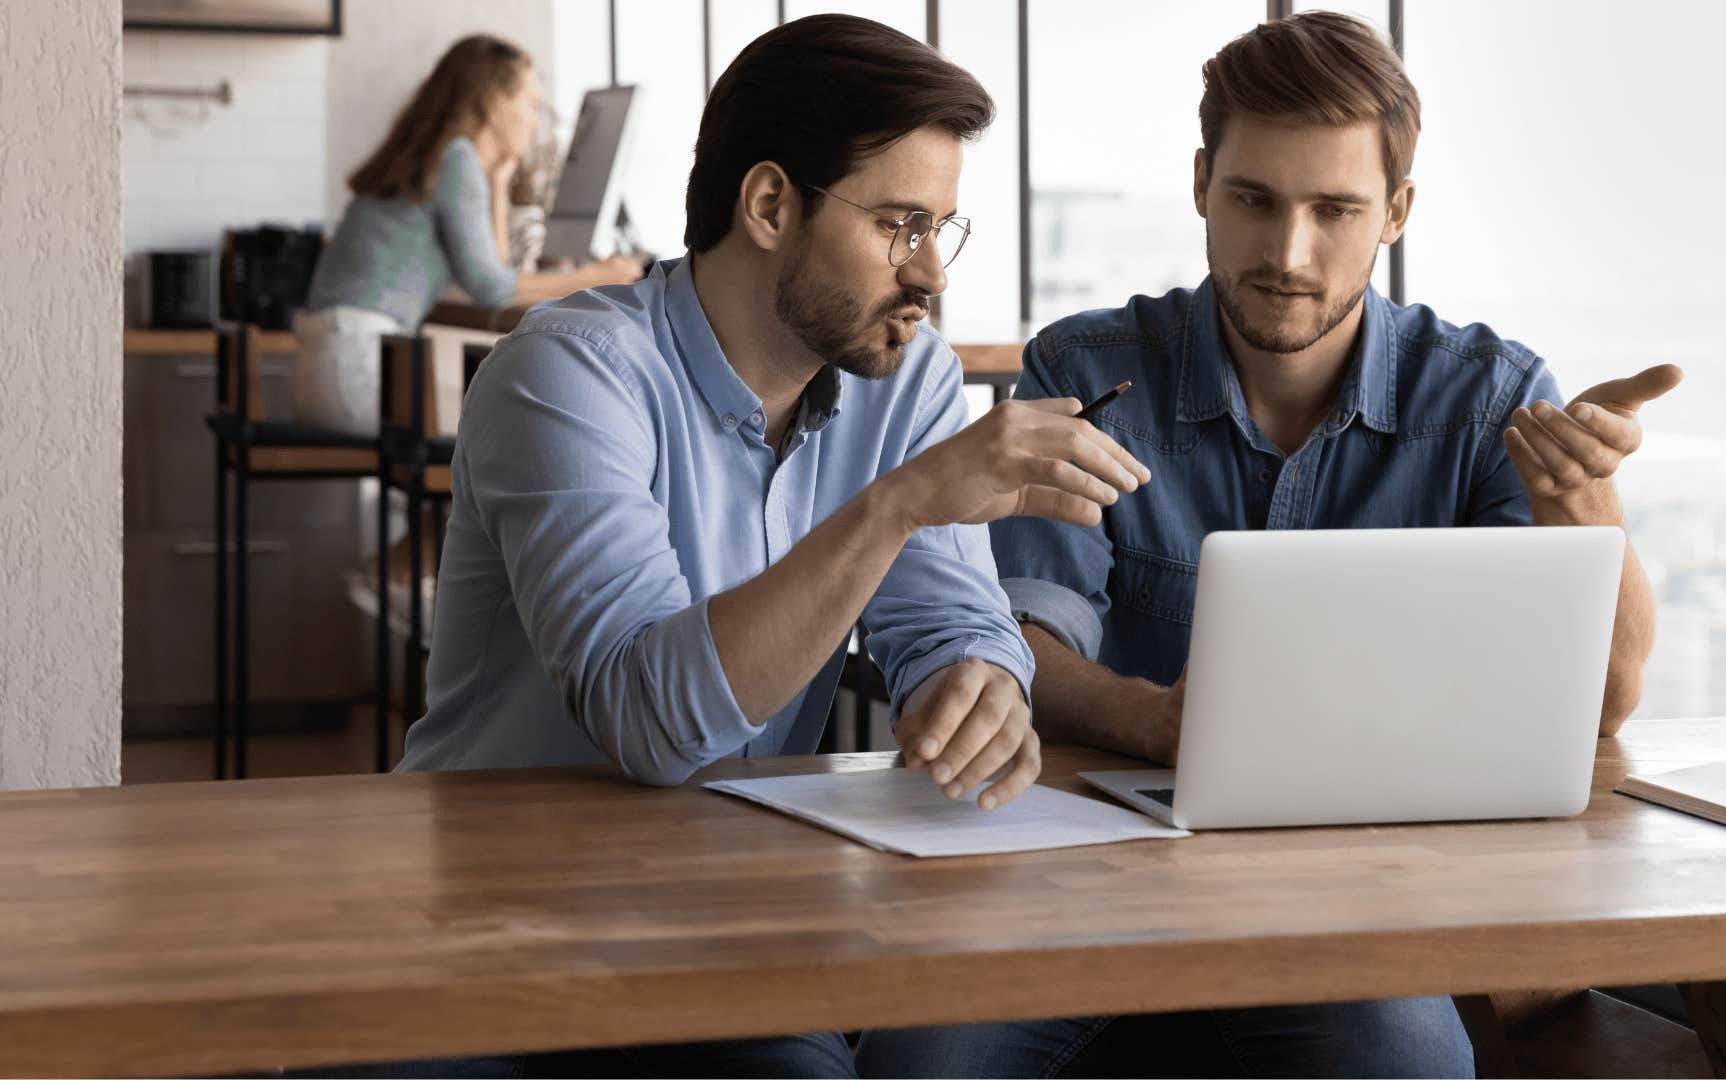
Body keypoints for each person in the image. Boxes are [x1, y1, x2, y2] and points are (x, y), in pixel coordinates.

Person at [856, 11, 1680, 1078]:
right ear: (1203, 182)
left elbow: (1605, 705)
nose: (1287, 254)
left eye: (1335, 209)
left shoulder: (1491, 398)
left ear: (1397, 212)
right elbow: (1020, 641)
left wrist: (1589, 501)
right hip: (1084, 878)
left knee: (1407, 1065)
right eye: (1254, 200)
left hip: (1366, 898)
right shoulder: (1092, 368)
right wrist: (1154, 723)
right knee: (924, 1063)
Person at [379, 15, 1148, 1077]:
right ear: (772, 204)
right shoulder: (566, 377)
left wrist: (981, 685)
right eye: (900, 225)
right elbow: (648, 724)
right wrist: (900, 504)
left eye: (943, 230)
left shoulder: (904, 376)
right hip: (485, 927)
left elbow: (950, 620)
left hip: (725, 916)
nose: (929, 276)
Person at [295, 34, 643, 633]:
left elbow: (492, 272)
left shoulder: (441, 156)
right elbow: (491, 286)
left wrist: (501, 179)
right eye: (529, 102)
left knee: (488, 432)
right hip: (360, 366)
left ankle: (402, 570)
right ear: (492, 101)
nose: (535, 117)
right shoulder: (456, 157)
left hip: (330, 361)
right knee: (510, 435)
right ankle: (425, 587)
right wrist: (606, 274)